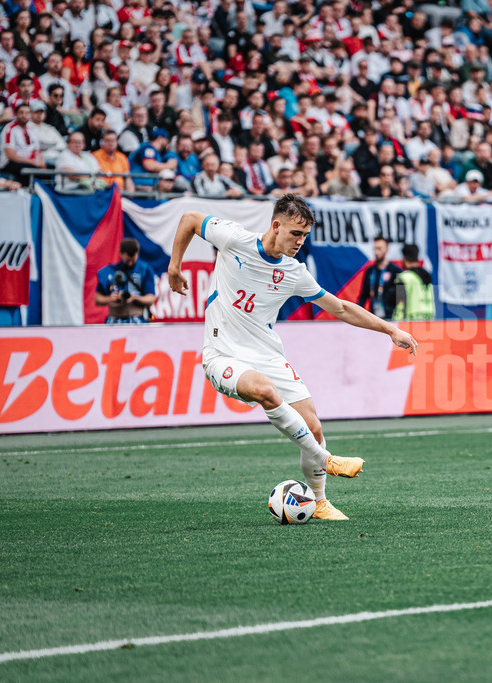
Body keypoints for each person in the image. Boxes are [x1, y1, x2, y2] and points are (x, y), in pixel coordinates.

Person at [166, 195, 419, 521]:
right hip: (222, 354)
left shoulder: (294, 272)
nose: (300, 242)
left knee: (313, 426)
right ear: (276, 225)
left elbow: (341, 308)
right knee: (265, 391)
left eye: (305, 236)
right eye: (295, 233)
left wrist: (389, 330)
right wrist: (175, 266)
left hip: (267, 354)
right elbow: (188, 218)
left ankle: (320, 502)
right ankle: (327, 460)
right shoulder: (234, 238)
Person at [94, 238, 157, 323]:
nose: (130, 263)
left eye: (133, 260)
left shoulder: (145, 270)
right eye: (128, 260)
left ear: (137, 254)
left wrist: (134, 298)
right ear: (121, 253)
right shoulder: (108, 271)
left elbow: (151, 298)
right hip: (114, 322)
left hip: (138, 321)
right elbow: (97, 299)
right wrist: (110, 298)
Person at [357, 236, 402, 319]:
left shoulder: (396, 270)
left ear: (386, 249)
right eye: (374, 249)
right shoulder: (370, 270)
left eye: (379, 248)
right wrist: (358, 314)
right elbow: (363, 295)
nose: (376, 252)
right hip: (374, 317)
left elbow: (401, 296)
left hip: (392, 317)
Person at [393, 244, 435, 320]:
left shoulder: (404, 277)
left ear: (404, 258)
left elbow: (399, 305)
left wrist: (396, 322)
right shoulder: (427, 276)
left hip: (409, 322)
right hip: (428, 320)